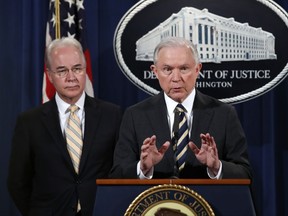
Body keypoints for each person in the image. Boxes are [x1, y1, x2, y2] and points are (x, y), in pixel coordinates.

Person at [7, 37, 122, 216]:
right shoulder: (30, 122)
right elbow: (17, 182)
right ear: (50, 75)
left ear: (85, 71)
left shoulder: (112, 115)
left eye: (77, 69)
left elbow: (119, 171)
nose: (71, 77)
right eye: (62, 71)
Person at [110, 36, 252, 179]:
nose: (176, 77)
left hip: (207, 201)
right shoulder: (136, 115)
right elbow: (117, 174)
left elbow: (244, 174)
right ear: (155, 72)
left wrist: (217, 167)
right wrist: (142, 168)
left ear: (197, 69)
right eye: (167, 69)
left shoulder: (224, 114)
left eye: (184, 68)